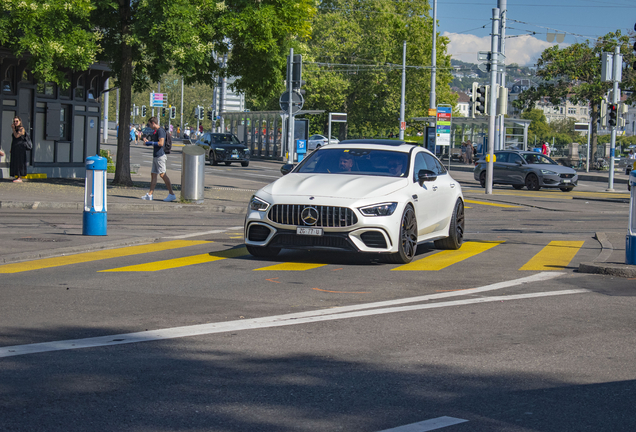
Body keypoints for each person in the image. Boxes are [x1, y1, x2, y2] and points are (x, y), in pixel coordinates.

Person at [142, 117, 176, 202]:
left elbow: (161, 143)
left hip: (160, 156)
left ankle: (171, 194)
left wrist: (149, 143)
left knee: (162, 174)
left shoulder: (160, 131)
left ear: (153, 123)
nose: (149, 126)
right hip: (156, 156)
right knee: (153, 174)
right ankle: (150, 194)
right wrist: (147, 142)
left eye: (150, 124)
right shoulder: (156, 131)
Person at [10, 116, 28, 183]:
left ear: (20, 122)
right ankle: (16, 175)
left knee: (19, 162)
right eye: (14, 121)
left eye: (17, 121)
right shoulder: (16, 129)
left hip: (20, 148)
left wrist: (13, 129)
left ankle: (19, 177)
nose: (15, 123)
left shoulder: (21, 129)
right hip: (15, 147)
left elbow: (17, 136)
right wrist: (11, 148)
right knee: (15, 161)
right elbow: (14, 139)